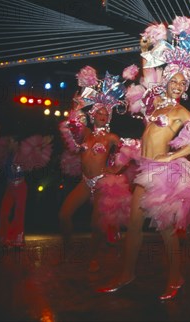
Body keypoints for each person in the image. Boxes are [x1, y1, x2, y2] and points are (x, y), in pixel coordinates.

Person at [99, 16, 190, 300]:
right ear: (166, 81)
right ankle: (127, 272)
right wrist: (144, 51)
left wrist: (173, 156)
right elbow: (149, 73)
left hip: (162, 176)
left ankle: (176, 277)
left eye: (182, 82)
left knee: (165, 232)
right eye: (173, 80)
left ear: (186, 86)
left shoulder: (181, 113)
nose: (177, 85)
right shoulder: (154, 103)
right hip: (144, 171)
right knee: (134, 227)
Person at [58, 66, 132, 271]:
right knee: (64, 215)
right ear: (93, 114)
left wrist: (116, 169)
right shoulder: (86, 134)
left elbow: (130, 152)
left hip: (101, 182)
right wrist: (75, 107)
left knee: (95, 225)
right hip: (84, 181)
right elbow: (73, 126)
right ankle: (67, 249)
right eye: (98, 112)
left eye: (105, 113)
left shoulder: (111, 137)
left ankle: (93, 257)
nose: (102, 116)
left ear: (109, 117)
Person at [0, 120, 53, 247]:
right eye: (9, 141)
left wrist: (42, 144)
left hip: (20, 187)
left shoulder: (23, 155)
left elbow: (35, 155)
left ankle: (17, 237)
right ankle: (5, 236)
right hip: (9, 187)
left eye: (11, 142)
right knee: (4, 211)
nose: (9, 144)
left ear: (17, 144)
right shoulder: (6, 155)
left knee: (18, 213)